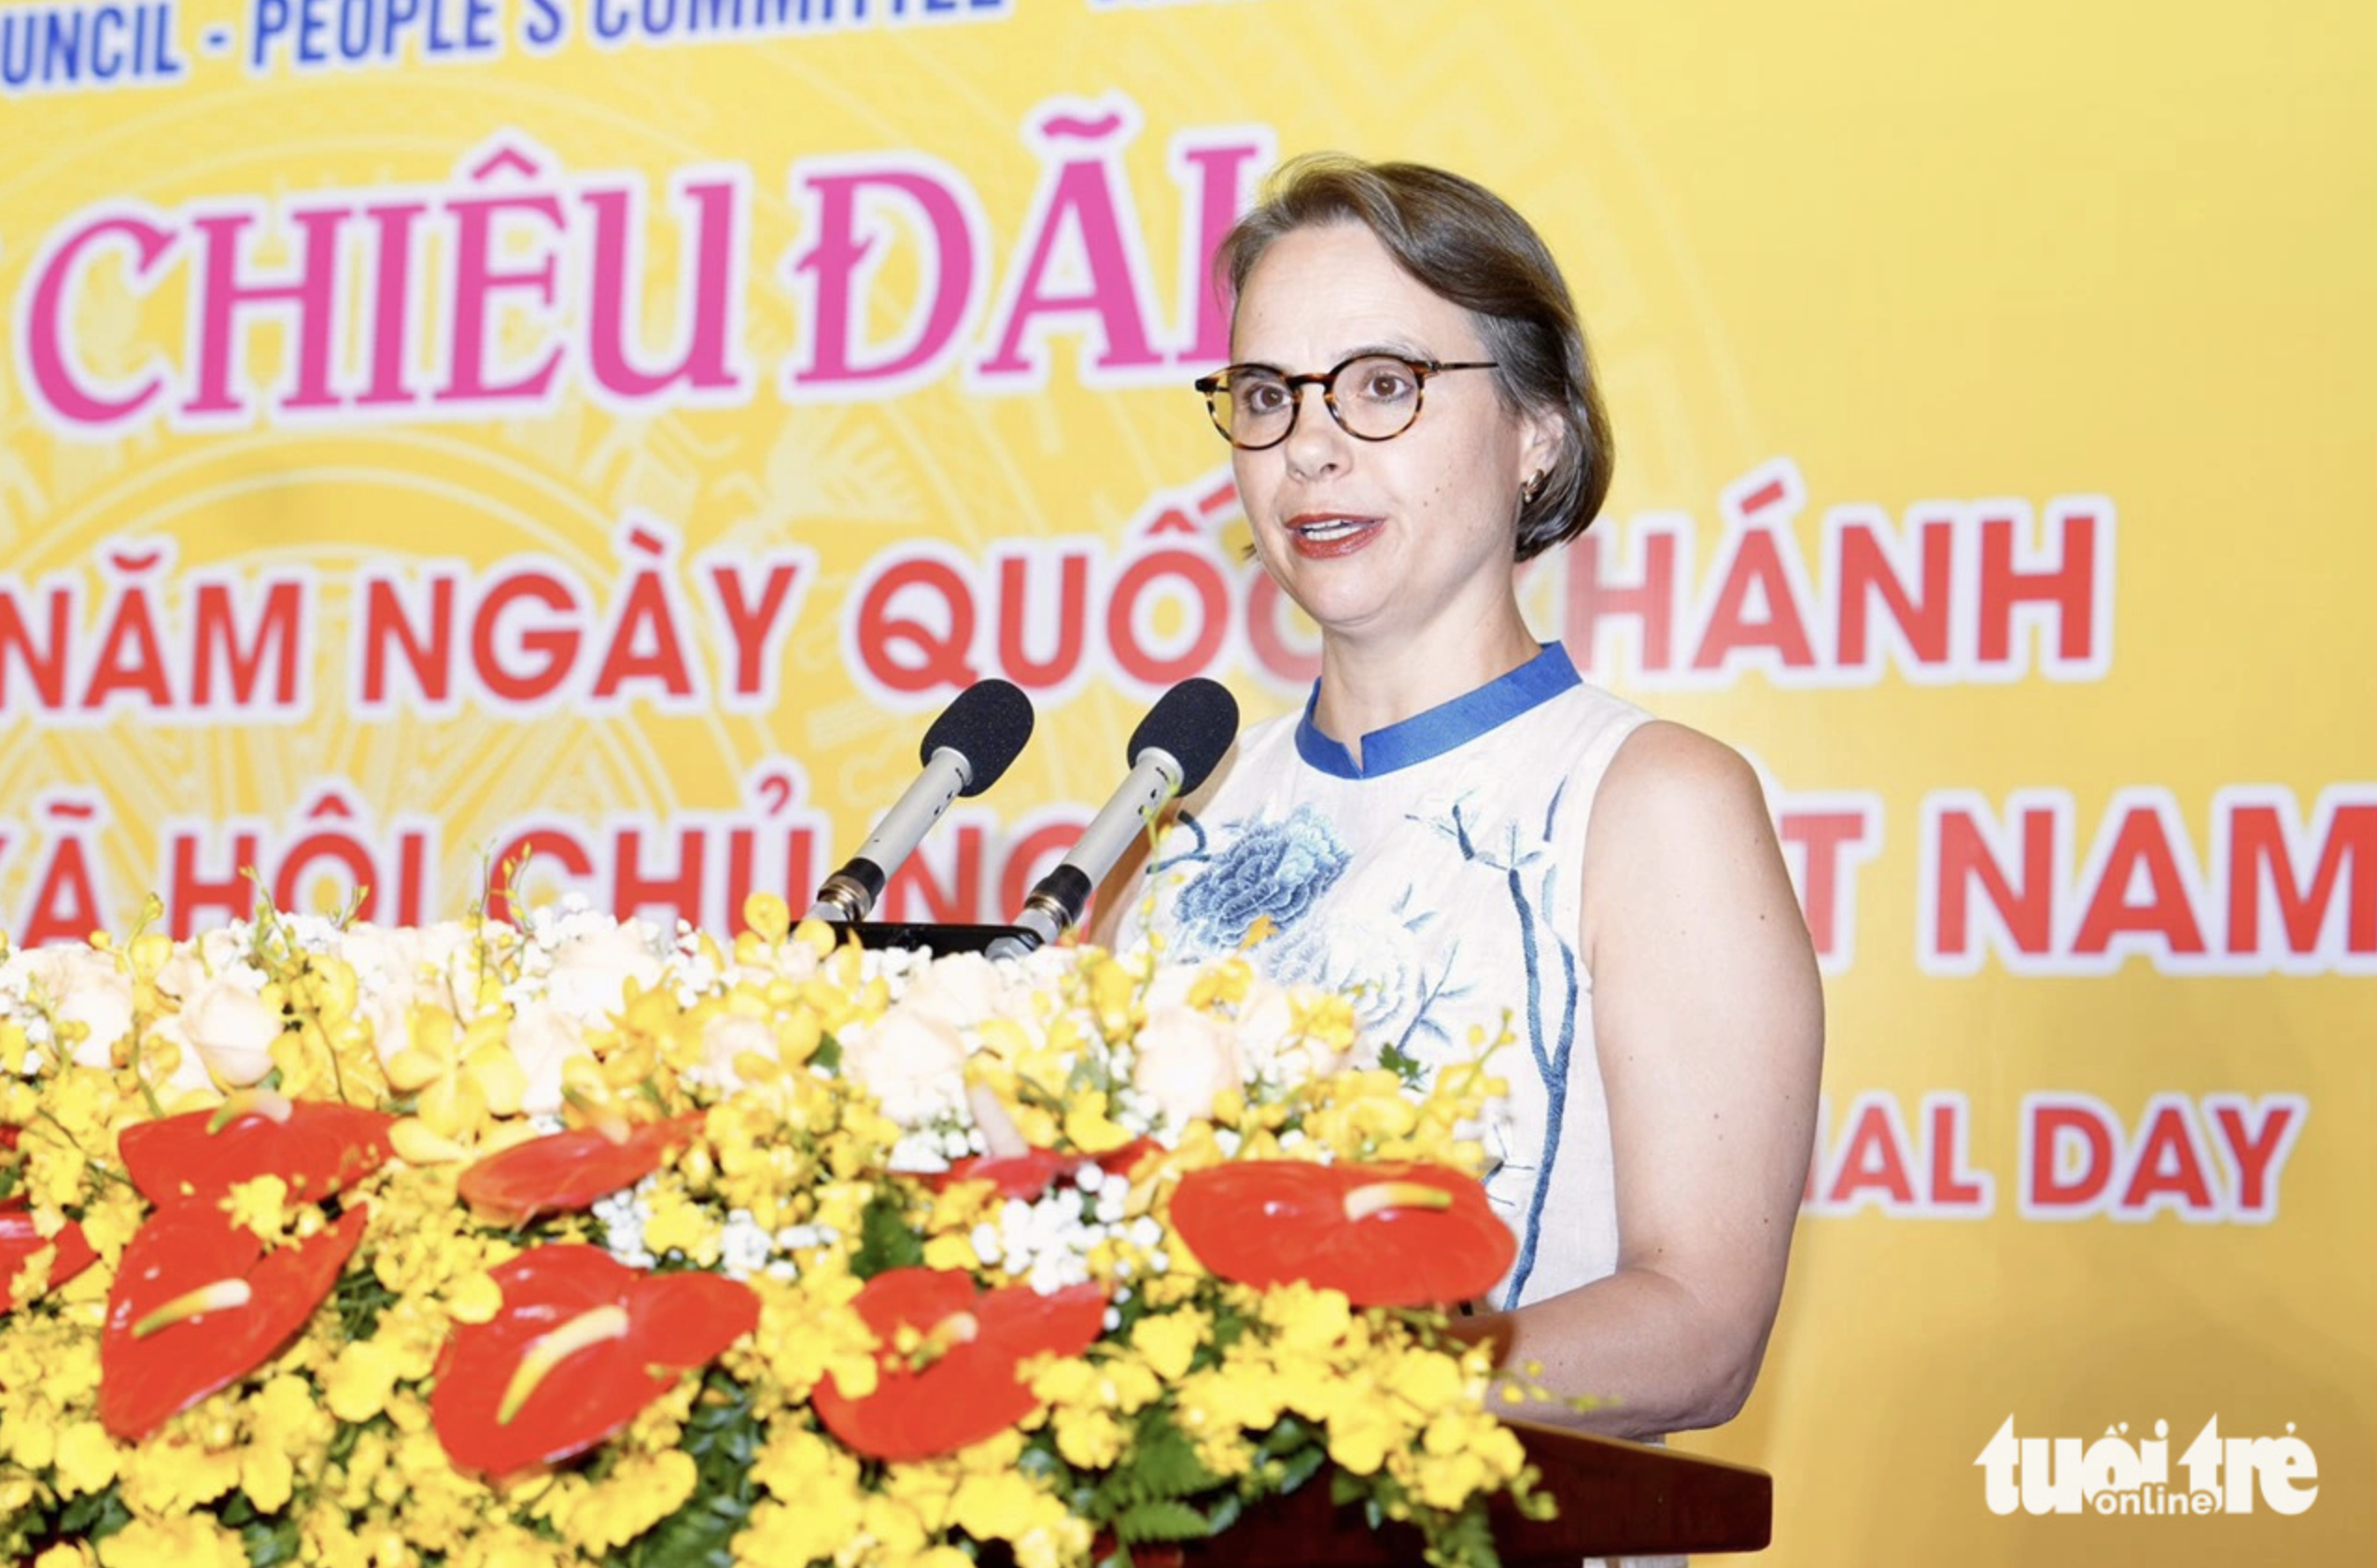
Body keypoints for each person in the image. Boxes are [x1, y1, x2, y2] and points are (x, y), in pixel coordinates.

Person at [1098, 156, 1824, 1445]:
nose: (1308, 446)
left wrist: (1306, 1385)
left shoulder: (1649, 804)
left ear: (1537, 431)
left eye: (1381, 387)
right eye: (1266, 396)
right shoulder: (1183, 816)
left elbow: (1700, 1327)